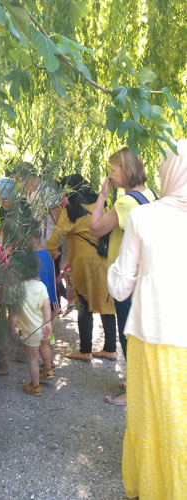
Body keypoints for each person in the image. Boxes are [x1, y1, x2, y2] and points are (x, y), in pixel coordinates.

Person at [107, 140, 187, 500]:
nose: (158, 171)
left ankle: (154, 489)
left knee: (151, 419)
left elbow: (120, 287)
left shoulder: (144, 216)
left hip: (152, 336)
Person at [89, 147, 157, 406]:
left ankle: (134, 392)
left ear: (126, 168)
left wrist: (102, 196)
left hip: (127, 279)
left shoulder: (126, 202)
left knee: (128, 334)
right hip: (144, 275)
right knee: (138, 333)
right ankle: (138, 382)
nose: (110, 174)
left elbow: (95, 228)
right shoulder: (149, 195)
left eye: (113, 169)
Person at [46, 174, 116, 361]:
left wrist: (50, 251)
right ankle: (110, 348)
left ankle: (85, 350)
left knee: (84, 303)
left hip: (84, 263)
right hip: (104, 259)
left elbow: (57, 236)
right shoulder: (103, 204)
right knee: (106, 303)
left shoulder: (72, 211)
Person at [9, 248, 53, 396]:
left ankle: (35, 386)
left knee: (33, 359)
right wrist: (48, 323)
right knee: (45, 347)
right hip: (43, 327)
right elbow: (46, 305)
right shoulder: (40, 286)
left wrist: (11, 327)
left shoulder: (15, 289)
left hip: (30, 330)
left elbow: (14, 314)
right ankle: (48, 369)